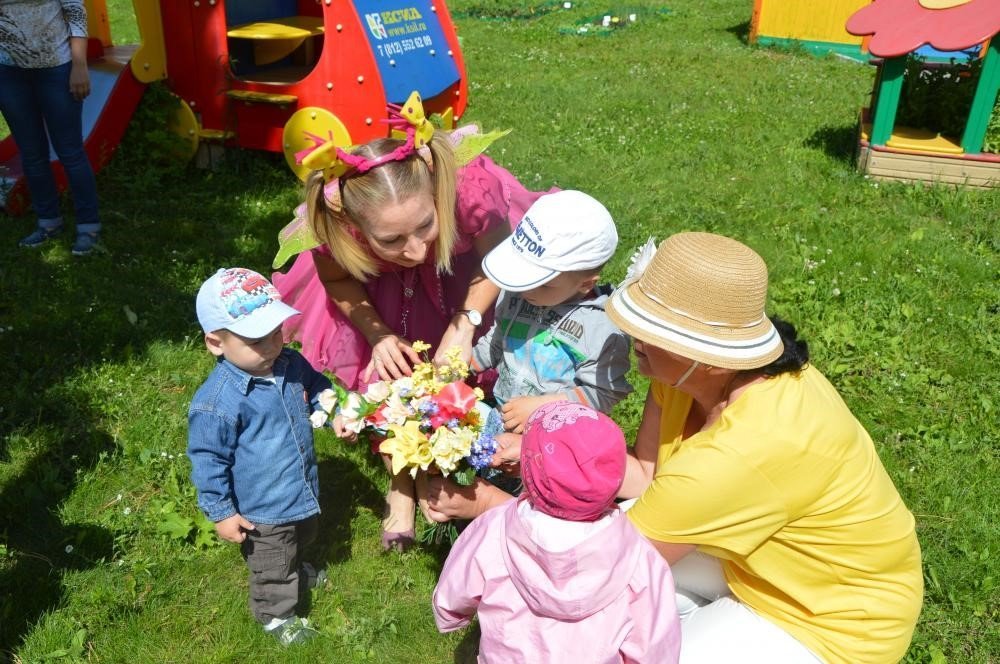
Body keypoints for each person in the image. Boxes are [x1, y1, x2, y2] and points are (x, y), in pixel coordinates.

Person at [423, 232, 924, 664]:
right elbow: (644, 472)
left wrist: (487, 505)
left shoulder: (740, 450)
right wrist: (534, 453)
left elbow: (597, 566)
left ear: (707, 356)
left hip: (829, 624)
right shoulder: (686, 378)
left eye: (647, 330)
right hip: (761, 564)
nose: (628, 335)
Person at [273, 91, 555, 550]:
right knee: (392, 382)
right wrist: (377, 334)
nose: (417, 251)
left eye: (425, 225)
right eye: (391, 240)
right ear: (356, 230)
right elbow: (339, 284)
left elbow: (500, 263)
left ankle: (463, 451)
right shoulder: (333, 227)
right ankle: (402, 484)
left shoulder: (468, 194)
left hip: (470, 278)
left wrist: (465, 323)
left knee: (465, 371)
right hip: (385, 299)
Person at [432, 401, 680, 664]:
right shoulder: (639, 558)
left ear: (529, 471)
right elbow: (655, 643)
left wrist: (451, 616)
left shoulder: (496, 529)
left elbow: (456, 588)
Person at [187, 268, 332, 646]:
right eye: (256, 340)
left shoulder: (290, 363)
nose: (271, 347)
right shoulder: (218, 402)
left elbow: (316, 384)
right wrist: (222, 512)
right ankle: (275, 614)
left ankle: (295, 568)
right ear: (216, 343)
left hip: (300, 486)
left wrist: (327, 403)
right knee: (271, 562)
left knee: (305, 534)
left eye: (276, 333)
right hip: (261, 508)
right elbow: (208, 462)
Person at [471, 190, 632, 434]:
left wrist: (543, 407)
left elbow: (604, 392)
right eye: (524, 275)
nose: (527, 289)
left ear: (586, 283)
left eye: (544, 283)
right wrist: (461, 365)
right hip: (503, 419)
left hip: (555, 439)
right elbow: (498, 339)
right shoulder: (517, 291)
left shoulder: (600, 330)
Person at [0, 0, 103, 256]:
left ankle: (88, 227)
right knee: (32, 155)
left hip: (57, 69)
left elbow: (76, 13)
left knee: (70, 152)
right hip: (8, 73)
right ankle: (48, 223)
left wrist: (79, 66)